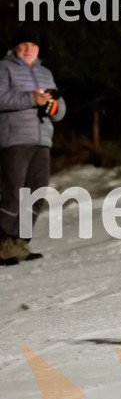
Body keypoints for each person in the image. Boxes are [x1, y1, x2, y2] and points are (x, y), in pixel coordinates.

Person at [0, 27, 66, 264]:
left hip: (42, 140)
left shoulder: (46, 73)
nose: (28, 49)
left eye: (33, 45)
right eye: (23, 45)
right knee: (13, 193)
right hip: (15, 139)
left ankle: (20, 242)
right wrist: (31, 98)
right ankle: (3, 243)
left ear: (38, 48)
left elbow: (60, 107)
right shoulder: (4, 68)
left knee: (37, 193)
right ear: (15, 47)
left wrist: (54, 108)